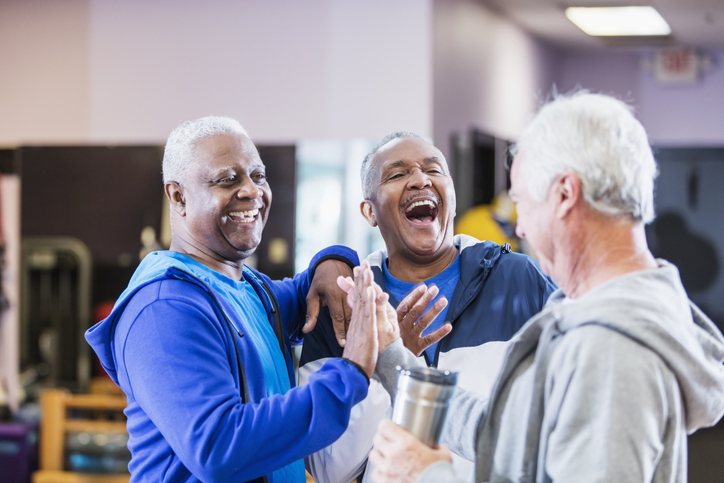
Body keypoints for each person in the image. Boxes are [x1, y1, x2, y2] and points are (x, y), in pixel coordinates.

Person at [368, 92, 724, 483]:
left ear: (564, 195)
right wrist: (397, 364)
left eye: (523, 203)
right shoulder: (591, 316)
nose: (521, 229)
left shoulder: (611, 352)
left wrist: (430, 474)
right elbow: (507, 435)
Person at [84, 116, 386, 483]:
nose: (252, 191)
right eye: (228, 179)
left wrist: (332, 260)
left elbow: (312, 284)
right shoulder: (163, 307)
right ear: (178, 196)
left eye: (258, 176)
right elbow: (219, 449)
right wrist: (351, 372)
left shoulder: (252, 290)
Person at [300, 132, 556, 482]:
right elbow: (330, 469)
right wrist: (383, 363)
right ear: (368, 211)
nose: (420, 179)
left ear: (451, 193)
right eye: (397, 174)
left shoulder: (521, 279)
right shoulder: (345, 306)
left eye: (433, 170)